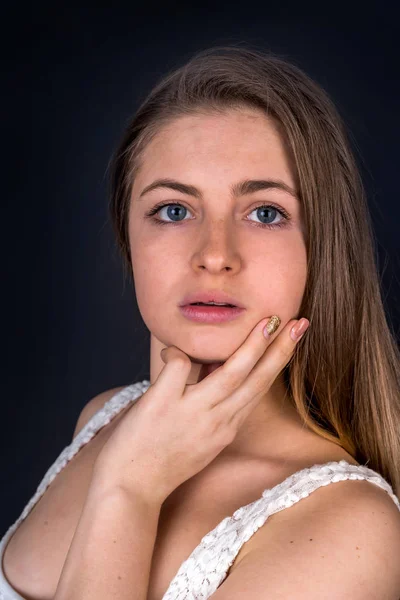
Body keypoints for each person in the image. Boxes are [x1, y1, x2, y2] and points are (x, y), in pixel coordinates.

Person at [1, 45, 400, 600]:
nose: (214, 255)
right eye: (174, 210)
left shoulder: (354, 527)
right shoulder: (104, 419)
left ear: (322, 249)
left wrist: (129, 491)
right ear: (128, 239)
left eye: (265, 213)